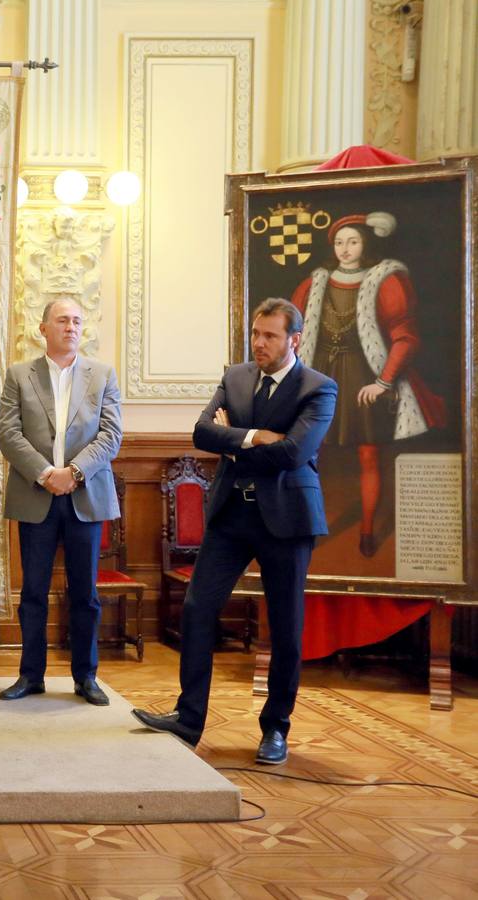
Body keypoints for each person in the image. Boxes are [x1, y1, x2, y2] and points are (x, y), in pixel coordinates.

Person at [133, 298, 337, 765]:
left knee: (284, 625)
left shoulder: (318, 388)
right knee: (197, 609)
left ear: (294, 340)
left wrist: (234, 442)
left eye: (270, 336)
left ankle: (275, 729)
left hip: (287, 519)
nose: (259, 343)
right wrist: (254, 436)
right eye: (256, 333)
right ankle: (188, 720)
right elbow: (202, 433)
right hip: (230, 516)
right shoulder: (236, 377)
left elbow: (294, 453)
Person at [290, 211, 445, 557]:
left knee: (369, 456)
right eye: (339, 242)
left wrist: (383, 381)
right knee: (308, 455)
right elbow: (292, 334)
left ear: (366, 243)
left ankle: (367, 530)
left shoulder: (385, 280)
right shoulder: (314, 283)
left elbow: (405, 338)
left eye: (353, 241)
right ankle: (308, 527)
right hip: (321, 375)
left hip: (364, 376)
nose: (345, 249)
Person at [0, 299, 122, 707]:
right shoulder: (19, 375)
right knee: (33, 591)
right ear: (43, 328)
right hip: (36, 495)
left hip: (86, 496)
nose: (71, 327)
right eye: (62, 320)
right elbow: (8, 434)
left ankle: (86, 677)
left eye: (77, 321)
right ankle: (30, 675)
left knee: (85, 593)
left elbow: (111, 436)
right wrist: (46, 473)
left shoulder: (102, 374)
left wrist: (74, 473)